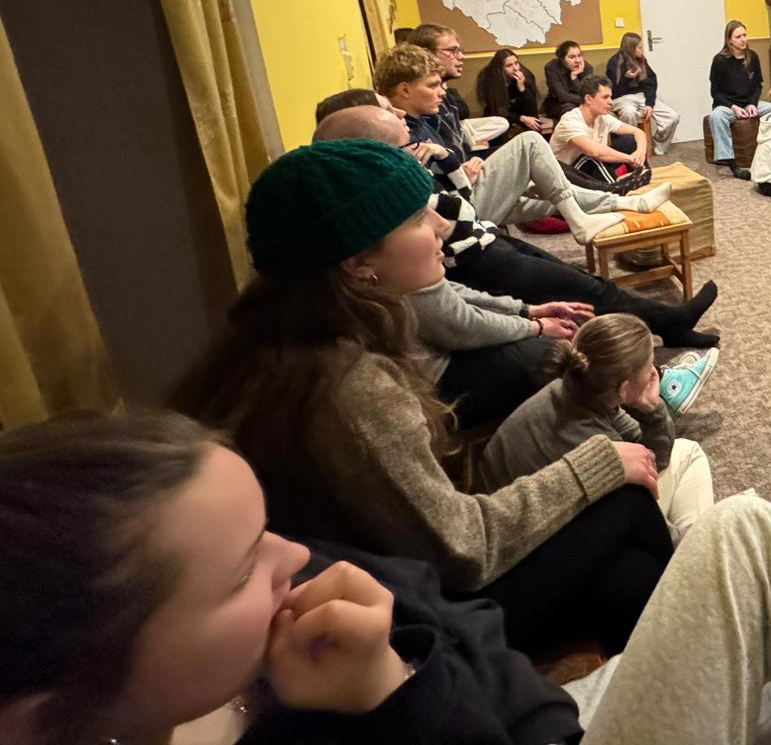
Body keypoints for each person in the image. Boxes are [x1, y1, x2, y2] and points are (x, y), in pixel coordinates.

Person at [0, 410, 771, 745]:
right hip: (505, 726)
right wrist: (391, 699)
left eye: (264, 527)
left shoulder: (202, 678)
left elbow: (449, 610)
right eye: (243, 568)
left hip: (529, 710)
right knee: (746, 545)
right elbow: (460, 561)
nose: (295, 557)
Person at [172, 139, 674, 656]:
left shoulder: (285, 340)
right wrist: (597, 464)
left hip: (389, 588)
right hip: (408, 624)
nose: (440, 224)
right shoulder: (351, 387)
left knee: (628, 579)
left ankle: (648, 669)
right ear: (358, 262)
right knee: (627, 501)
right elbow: (463, 550)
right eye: (417, 218)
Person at [314, 103, 722, 353]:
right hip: (475, 258)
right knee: (586, 287)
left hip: (484, 237)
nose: (403, 118)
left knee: (583, 278)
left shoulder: (409, 160)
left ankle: (666, 315)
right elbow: (455, 213)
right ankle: (668, 320)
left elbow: (461, 198)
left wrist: (445, 159)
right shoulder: (385, 194)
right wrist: (531, 321)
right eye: (392, 114)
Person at [374, 44, 667, 244]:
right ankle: (589, 213)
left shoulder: (425, 119)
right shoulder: (401, 133)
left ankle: (630, 202)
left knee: (553, 196)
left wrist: (464, 162)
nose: (442, 92)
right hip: (464, 207)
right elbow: (437, 191)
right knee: (531, 142)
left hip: (473, 186)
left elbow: (451, 160)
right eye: (433, 85)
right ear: (404, 90)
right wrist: (458, 168)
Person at [483, 314, 718, 541]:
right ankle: (698, 551)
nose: (654, 373)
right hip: (542, 543)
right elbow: (645, 516)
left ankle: (698, 541)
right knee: (683, 521)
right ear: (624, 389)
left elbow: (649, 455)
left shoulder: (572, 389)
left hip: (514, 516)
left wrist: (652, 410)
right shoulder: (598, 445)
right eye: (649, 368)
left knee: (686, 449)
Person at [550, 74, 651, 190]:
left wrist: (640, 152)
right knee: (592, 158)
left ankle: (643, 179)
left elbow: (638, 132)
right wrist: (630, 158)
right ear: (588, 99)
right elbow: (594, 152)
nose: (611, 102)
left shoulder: (602, 117)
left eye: (610, 97)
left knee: (629, 140)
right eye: (605, 97)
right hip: (569, 176)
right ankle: (616, 190)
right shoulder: (570, 120)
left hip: (591, 167)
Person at [708, 20, 771, 179]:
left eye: (744, 35)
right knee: (716, 117)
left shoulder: (752, 57)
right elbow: (715, 92)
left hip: (748, 104)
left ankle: (769, 150)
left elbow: (757, 86)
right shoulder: (720, 60)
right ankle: (732, 163)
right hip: (728, 106)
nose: (743, 39)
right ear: (729, 40)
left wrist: (752, 104)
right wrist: (733, 107)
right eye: (738, 37)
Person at [408, 24, 485, 155]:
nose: (461, 56)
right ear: (426, 54)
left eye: (460, 50)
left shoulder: (444, 93)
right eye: (452, 50)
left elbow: (462, 148)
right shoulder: (424, 101)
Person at [607, 31, 681, 149]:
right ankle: (631, 147)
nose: (642, 50)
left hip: (641, 97)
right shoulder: (614, 62)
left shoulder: (641, 60)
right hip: (622, 99)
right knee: (628, 113)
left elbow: (651, 83)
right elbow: (613, 91)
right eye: (640, 48)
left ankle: (655, 145)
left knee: (673, 116)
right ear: (631, 48)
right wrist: (626, 78)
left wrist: (649, 104)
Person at [475, 47, 543, 136]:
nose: (515, 68)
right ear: (500, 68)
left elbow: (532, 110)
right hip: (499, 117)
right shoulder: (490, 79)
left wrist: (522, 88)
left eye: (516, 63)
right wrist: (521, 118)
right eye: (509, 65)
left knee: (535, 125)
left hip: (520, 113)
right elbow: (498, 111)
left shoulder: (525, 75)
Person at [543, 40, 594, 122]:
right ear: (562, 59)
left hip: (582, 102)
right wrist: (587, 99)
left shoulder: (587, 68)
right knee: (573, 112)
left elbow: (586, 92)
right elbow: (562, 96)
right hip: (557, 103)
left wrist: (574, 78)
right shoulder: (551, 68)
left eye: (579, 55)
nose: (577, 61)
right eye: (572, 57)